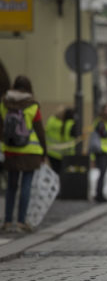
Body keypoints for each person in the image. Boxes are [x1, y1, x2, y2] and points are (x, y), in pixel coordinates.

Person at [0, 75, 47, 233]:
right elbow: (39, 131)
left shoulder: (4, 103)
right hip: (30, 151)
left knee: (11, 186)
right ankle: (21, 221)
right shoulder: (32, 105)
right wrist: (44, 151)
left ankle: (7, 220)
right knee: (26, 186)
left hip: (10, 150)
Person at [44, 106, 76, 175]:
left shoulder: (51, 120)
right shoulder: (66, 124)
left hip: (51, 151)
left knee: (55, 172)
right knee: (62, 173)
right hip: (61, 153)